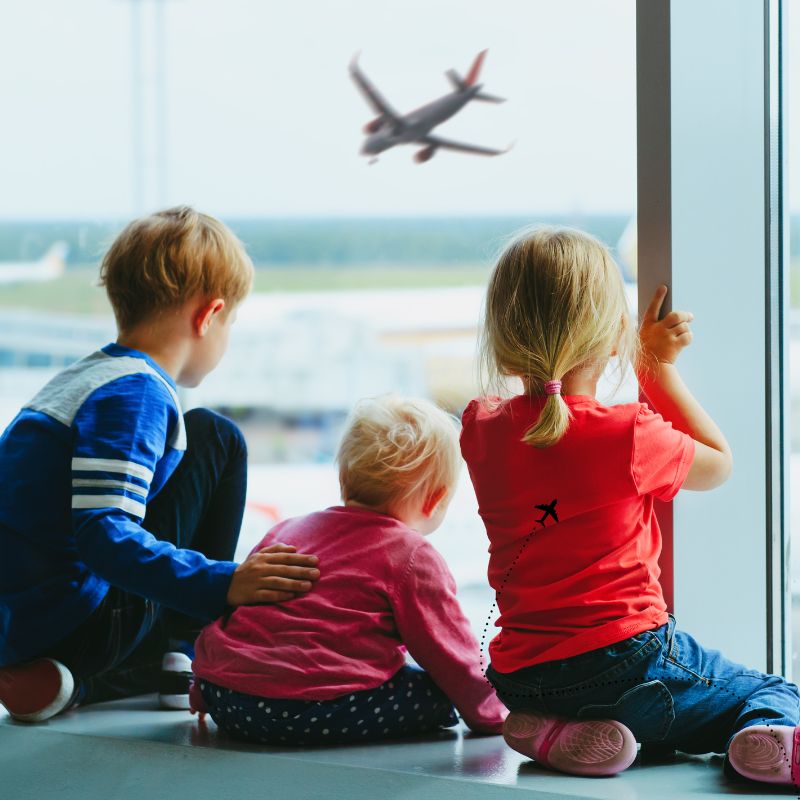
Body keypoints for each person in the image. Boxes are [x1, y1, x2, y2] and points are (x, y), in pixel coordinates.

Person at [460, 225, 800, 785]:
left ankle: (551, 732)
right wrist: (656, 368)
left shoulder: (480, 429)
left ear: (501, 337)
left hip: (521, 674)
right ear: (616, 333)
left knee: (626, 716)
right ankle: (760, 739)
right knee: (771, 691)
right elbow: (719, 462)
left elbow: (547, 438)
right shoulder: (627, 435)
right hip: (627, 663)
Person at [0, 207, 320, 722]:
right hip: (78, 623)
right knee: (217, 438)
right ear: (208, 316)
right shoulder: (137, 394)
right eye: (230, 322)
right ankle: (184, 650)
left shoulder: (78, 380)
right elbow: (102, 534)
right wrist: (221, 582)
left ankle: (64, 683)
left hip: (22, 624)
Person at [190, 395, 506, 745]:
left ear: (344, 477)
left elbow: (241, 615)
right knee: (437, 693)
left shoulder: (288, 529)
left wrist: (207, 686)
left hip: (226, 697)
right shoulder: (412, 555)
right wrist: (491, 715)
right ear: (435, 499)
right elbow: (453, 657)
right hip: (304, 709)